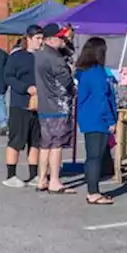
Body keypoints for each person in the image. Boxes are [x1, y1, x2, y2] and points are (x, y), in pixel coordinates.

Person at [75, 37, 118, 205]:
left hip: (89, 117)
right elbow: (102, 99)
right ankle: (93, 192)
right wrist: (110, 120)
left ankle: (93, 190)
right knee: (94, 156)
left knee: (94, 155)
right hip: (97, 119)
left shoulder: (85, 71)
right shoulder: (97, 73)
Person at [34, 23, 76, 194]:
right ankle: (55, 180)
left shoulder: (39, 56)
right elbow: (66, 81)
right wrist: (71, 72)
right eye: (60, 37)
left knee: (45, 145)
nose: (63, 40)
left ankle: (42, 178)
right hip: (58, 106)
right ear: (50, 40)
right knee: (56, 144)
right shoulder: (56, 59)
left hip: (44, 105)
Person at [2, 26, 43, 187]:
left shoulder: (42, 57)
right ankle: (10, 175)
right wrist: (25, 88)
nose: (41, 41)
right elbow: (8, 77)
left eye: (42, 38)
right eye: (38, 38)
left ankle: (34, 174)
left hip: (39, 105)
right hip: (20, 104)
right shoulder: (17, 57)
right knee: (17, 140)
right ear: (29, 38)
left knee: (35, 141)